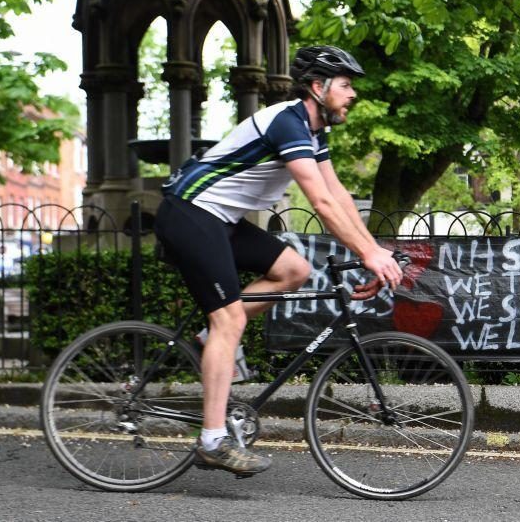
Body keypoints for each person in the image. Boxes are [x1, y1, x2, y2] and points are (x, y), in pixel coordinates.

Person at [154, 45, 403, 476]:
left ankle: (209, 336)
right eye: (345, 85)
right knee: (229, 320)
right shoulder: (288, 123)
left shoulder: (313, 131)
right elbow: (322, 204)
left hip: (221, 220)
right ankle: (212, 440)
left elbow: (339, 194)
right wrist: (368, 254)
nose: (352, 94)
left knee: (294, 270)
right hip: (190, 212)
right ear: (317, 87)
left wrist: (373, 249)